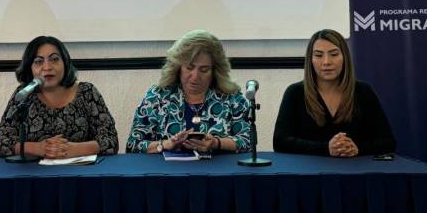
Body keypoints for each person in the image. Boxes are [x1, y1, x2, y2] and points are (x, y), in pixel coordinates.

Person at [273, 29, 396, 157]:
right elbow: (280, 142)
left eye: (334, 54)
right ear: (310, 60)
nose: (326, 62)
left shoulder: (363, 91)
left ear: (344, 57)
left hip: (356, 168)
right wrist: (326, 148)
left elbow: (388, 142)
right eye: (319, 55)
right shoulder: (295, 93)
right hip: (310, 169)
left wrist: (357, 148)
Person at [126, 29, 251, 154]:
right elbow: (133, 145)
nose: (195, 76)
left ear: (215, 71)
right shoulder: (157, 97)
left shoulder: (233, 99)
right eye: (189, 68)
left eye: (204, 70)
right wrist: (164, 145)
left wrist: (216, 143)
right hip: (167, 166)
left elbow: (248, 141)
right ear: (178, 67)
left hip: (219, 166)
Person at [0, 35, 118, 158]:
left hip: (80, 169)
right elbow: (0, 141)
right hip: (34, 170)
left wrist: (74, 149)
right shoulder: (25, 94)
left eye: (54, 59)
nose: (47, 67)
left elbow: (110, 139)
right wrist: (37, 148)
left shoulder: (87, 92)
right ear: (29, 67)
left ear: (65, 63)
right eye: (38, 61)